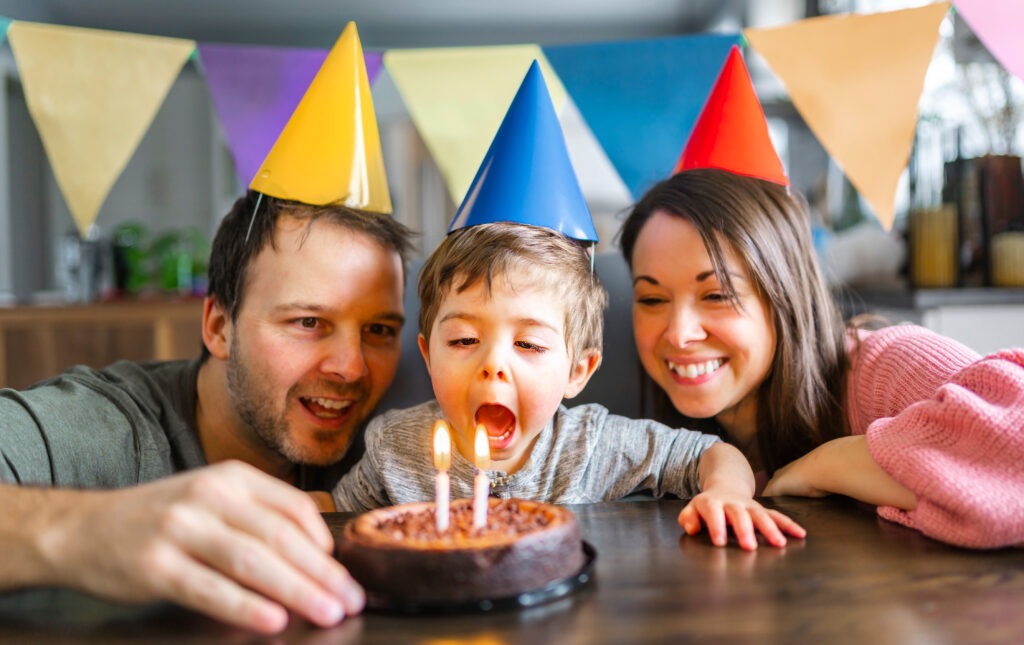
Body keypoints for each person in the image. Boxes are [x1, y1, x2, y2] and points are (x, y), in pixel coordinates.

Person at [0, 22, 415, 633]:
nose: (352, 368)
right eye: (307, 322)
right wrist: (82, 529)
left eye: (380, 329)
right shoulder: (103, 429)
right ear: (218, 326)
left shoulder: (401, 443)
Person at [331, 62, 806, 551]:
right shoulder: (394, 446)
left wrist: (726, 493)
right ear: (429, 355)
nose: (493, 366)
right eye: (465, 340)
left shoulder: (592, 444)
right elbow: (334, 515)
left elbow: (710, 453)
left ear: (579, 369)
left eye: (529, 344)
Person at [618, 47, 1024, 550]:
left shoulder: (881, 366)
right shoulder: (682, 450)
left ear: (782, 294)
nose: (678, 333)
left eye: (717, 293)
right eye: (652, 300)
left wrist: (827, 464)